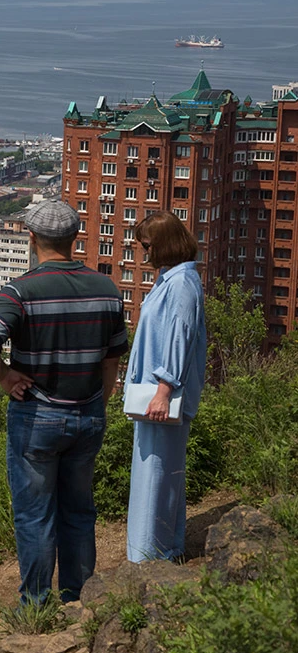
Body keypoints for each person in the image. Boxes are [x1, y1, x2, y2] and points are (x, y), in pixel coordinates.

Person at [0, 200, 127, 604]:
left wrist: (5, 377)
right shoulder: (107, 289)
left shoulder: (21, 290)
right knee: (79, 512)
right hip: (88, 413)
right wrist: (99, 401)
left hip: (38, 415)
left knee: (35, 516)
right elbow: (113, 358)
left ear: (32, 238)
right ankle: (78, 598)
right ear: (75, 238)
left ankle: (36, 606)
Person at [125, 212, 206, 563]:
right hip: (157, 393)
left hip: (162, 397)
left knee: (155, 476)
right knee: (160, 474)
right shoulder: (171, 279)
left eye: (147, 245)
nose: (144, 252)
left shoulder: (181, 285)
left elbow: (179, 337)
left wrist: (163, 389)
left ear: (164, 244)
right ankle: (164, 549)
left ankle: (148, 557)